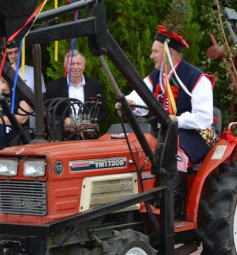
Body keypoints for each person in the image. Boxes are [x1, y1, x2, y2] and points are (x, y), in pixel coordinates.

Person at [124, 26, 214, 218]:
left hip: (194, 133)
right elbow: (140, 96)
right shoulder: (156, 75)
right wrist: (128, 102)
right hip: (166, 130)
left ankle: (173, 204)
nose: (151, 56)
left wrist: (178, 119)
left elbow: (204, 117)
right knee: (139, 143)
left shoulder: (196, 77)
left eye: (155, 51)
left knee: (175, 147)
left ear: (169, 52)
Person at [43, 50, 106, 137]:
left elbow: (103, 111)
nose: (75, 67)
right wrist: (64, 120)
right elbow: (45, 112)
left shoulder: (95, 85)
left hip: (89, 137)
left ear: (84, 66)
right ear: (65, 66)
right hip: (63, 137)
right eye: (72, 64)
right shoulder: (54, 86)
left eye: (78, 63)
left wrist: (86, 122)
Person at [0, 70, 33, 168]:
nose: (6, 77)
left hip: (18, 137)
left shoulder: (23, 92)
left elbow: (22, 118)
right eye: (3, 75)